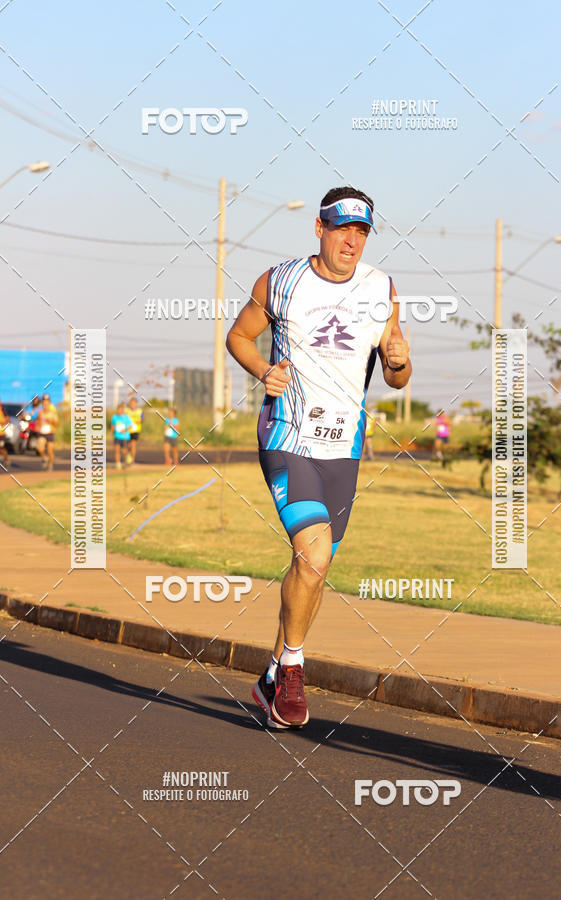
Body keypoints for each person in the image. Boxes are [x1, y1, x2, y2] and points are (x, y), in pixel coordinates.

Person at [227, 186, 411, 729]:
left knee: (315, 566)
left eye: (361, 232)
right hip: (287, 436)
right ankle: (293, 669)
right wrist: (264, 371)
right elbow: (239, 336)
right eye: (342, 229)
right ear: (319, 228)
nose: (351, 241)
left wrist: (399, 360)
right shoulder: (280, 281)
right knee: (313, 556)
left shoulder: (381, 289)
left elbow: (397, 377)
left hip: (343, 449)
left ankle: (271, 677)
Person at [36, 394, 59, 470]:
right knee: (40, 449)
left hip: (50, 433)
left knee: (50, 451)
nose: (45, 405)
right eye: (44, 403)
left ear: (49, 404)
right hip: (42, 432)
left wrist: (51, 421)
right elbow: (37, 421)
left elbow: (57, 423)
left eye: (46, 403)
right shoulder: (40, 412)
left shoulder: (53, 413)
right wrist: (37, 426)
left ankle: (50, 464)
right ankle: (44, 458)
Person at [111, 401, 133, 469]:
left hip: (125, 436)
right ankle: (118, 464)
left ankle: (128, 455)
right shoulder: (114, 417)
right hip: (117, 436)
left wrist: (125, 429)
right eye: (118, 409)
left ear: (123, 410)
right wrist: (111, 432)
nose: (119, 411)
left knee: (124, 451)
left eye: (121, 410)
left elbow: (130, 426)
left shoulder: (126, 417)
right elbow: (113, 425)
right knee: (116, 450)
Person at [127, 397, 144, 464]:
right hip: (127, 430)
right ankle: (128, 455)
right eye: (131, 403)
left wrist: (140, 421)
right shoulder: (127, 411)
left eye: (134, 403)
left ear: (136, 404)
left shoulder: (139, 411)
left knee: (133, 444)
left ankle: (132, 459)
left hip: (135, 430)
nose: (133, 404)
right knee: (128, 445)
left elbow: (142, 418)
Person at [0, 402, 10, 469]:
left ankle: (6, 459)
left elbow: (8, 420)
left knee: (1, 448)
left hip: (1, 433)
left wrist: (4, 421)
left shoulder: (3, 410)